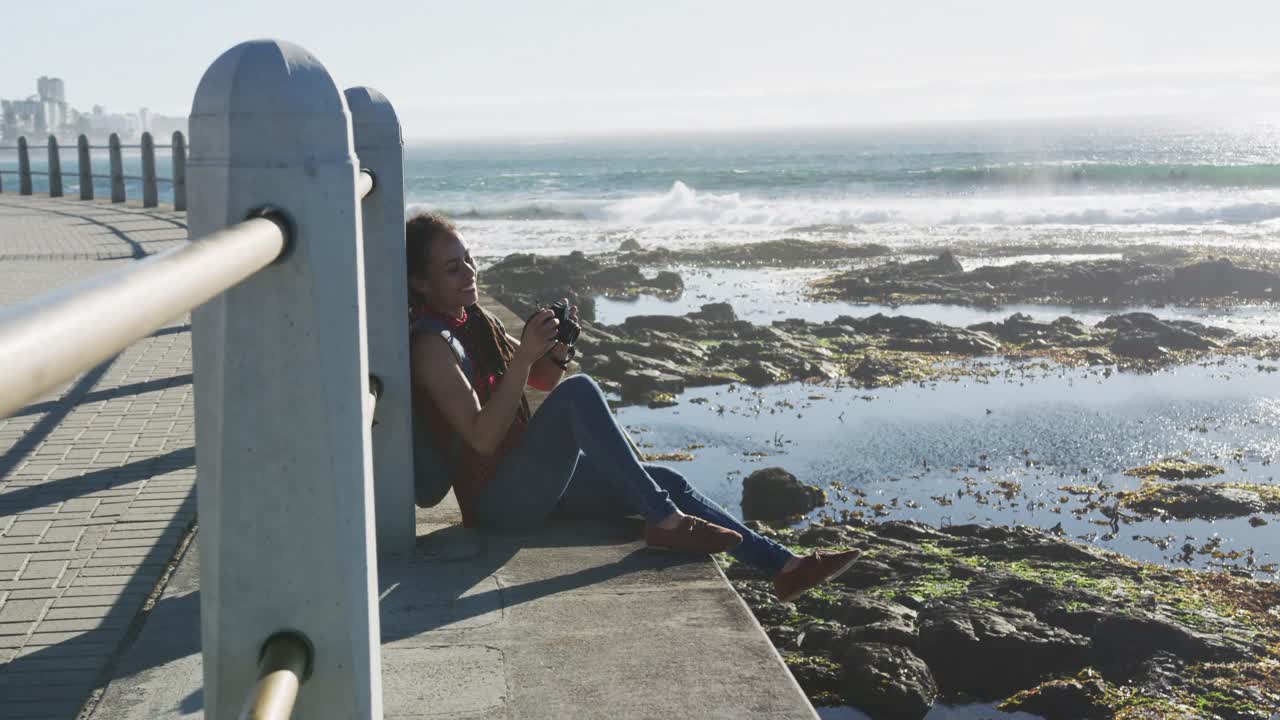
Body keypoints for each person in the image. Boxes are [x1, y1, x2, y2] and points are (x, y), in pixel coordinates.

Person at [406, 211, 859, 601]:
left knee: (665, 480)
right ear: (420, 282)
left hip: (532, 480)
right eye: (452, 268)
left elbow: (541, 379)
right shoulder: (431, 345)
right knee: (580, 394)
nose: (470, 273)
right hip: (498, 504)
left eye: (469, 259)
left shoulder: (473, 319)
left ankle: (784, 567)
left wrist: (556, 348)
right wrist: (524, 354)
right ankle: (665, 522)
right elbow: (483, 438)